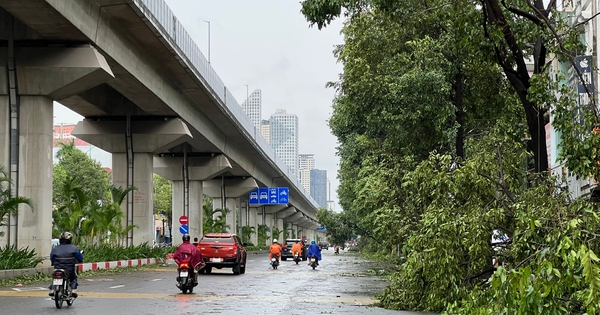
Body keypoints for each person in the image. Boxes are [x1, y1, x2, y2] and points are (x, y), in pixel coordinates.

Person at [48, 232, 84, 298]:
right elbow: (80, 257)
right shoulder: (74, 248)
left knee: (55, 278)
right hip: (69, 269)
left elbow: (52, 257)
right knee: (73, 278)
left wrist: (54, 262)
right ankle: (73, 291)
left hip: (57, 268)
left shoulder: (55, 249)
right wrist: (80, 261)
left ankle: (52, 290)